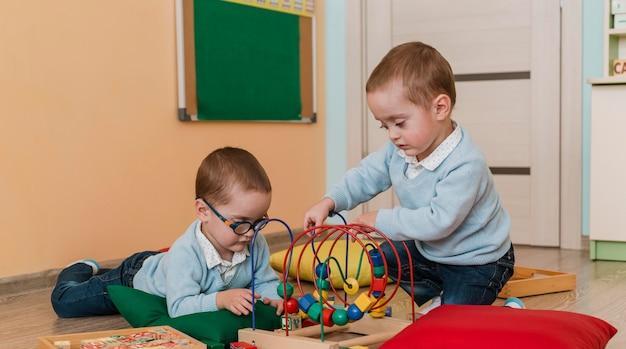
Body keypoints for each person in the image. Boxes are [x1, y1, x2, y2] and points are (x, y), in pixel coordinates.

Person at [303, 42, 515, 310]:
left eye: (400, 123)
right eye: (385, 125)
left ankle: (459, 305)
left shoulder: (466, 163)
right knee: (383, 256)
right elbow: (366, 175)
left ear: (439, 108)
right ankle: (436, 296)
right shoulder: (399, 149)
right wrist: (330, 201)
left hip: (477, 261)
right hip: (431, 251)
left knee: (454, 318)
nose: (392, 134)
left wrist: (381, 220)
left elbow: (439, 222)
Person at [52, 147, 284, 318]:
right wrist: (221, 299)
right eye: (241, 223)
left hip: (164, 264)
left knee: (161, 267)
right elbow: (179, 306)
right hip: (133, 277)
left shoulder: (254, 242)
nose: (251, 233)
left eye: (260, 221)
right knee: (66, 303)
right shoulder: (187, 253)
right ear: (203, 211)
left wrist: (275, 298)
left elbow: (265, 281)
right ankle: (78, 270)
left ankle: (101, 271)